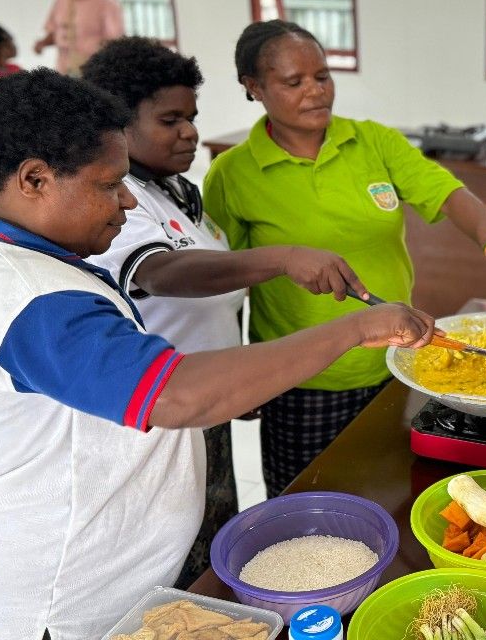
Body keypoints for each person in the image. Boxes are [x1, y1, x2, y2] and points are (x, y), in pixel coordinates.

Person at [0, 68, 435, 640]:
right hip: (32, 614)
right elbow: (179, 394)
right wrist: (354, 329)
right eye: (109, 184)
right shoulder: (26, 295)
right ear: (34, 180)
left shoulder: (22, 267)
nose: (129, 200)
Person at [203, 20, 486, 498]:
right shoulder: (234, 173)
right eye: (294, 82)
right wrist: (243, 371)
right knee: (307, 508)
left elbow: (448, 194)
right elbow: (230, 280)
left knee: (388, 496)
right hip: (302, 380)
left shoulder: (373, 142)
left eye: (322, 76)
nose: (315, 92)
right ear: (255, 88)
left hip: (395, 364)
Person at [81, 36, 376, 587]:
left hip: (210, 397)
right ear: (116, 126)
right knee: (179, 552)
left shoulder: (178, 193)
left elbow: (217, 295)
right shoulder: (118, 199)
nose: (189, 131)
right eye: (170, 120)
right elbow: (165, 273)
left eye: (190, 117)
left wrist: (242, 374)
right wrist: (281, 259)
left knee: (220, 530)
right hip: (166, 410)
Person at [34, 0, 124, 76]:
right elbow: (55, 31)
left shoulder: (106, 5)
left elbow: (114, 41)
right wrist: (42, 43)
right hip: (64, 68)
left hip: (92, 69)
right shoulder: (61, 0)